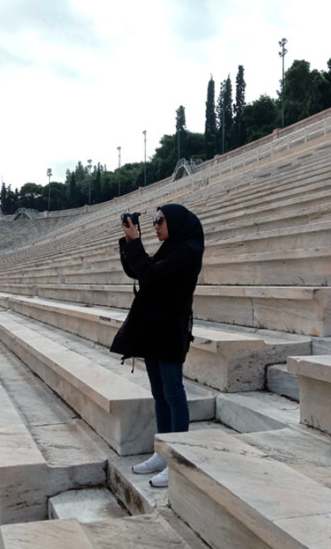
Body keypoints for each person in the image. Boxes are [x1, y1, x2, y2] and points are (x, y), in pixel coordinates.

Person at [110, 203, 204, 489]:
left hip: (171, 330)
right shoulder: (171, 247)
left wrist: (136, 243)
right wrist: (129, 242)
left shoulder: (187, 250)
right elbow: (140, 271)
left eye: (159, 220)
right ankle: (162, 453)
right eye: (153, 221)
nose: (155, 225)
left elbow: (150, 275)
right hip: (154, 328)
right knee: (159, 394)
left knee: (173, 393)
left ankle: (178, 458)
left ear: (174, 222)